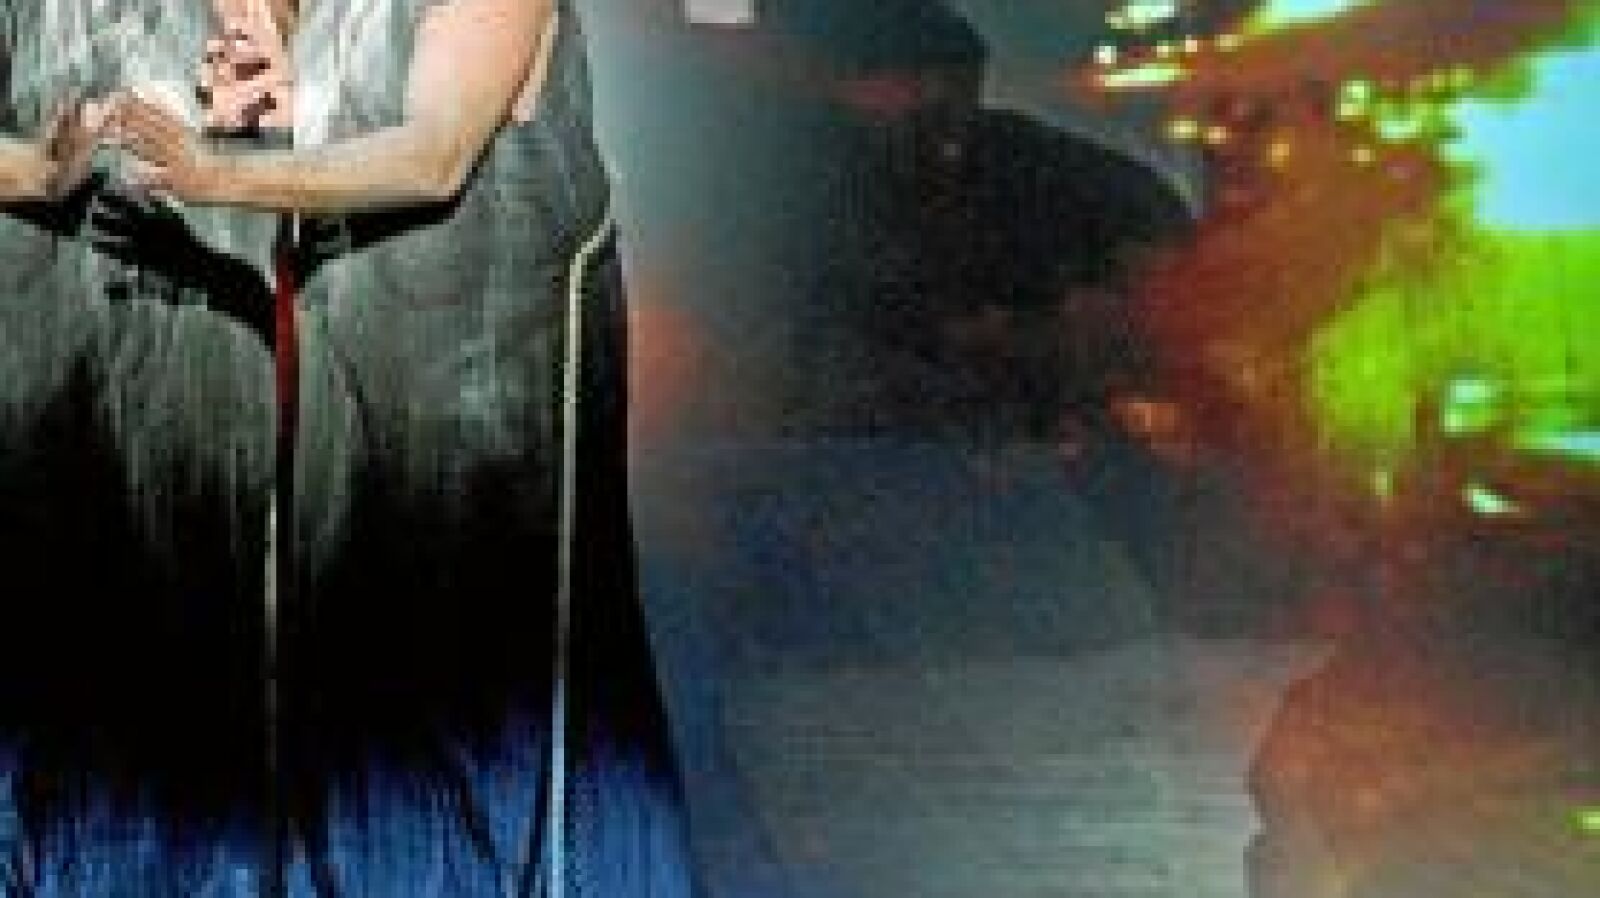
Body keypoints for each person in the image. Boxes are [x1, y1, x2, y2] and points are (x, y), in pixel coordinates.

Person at [117, 1, 700, 894]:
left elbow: (436, 154)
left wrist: (218, 174)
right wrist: (283, 101)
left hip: (492, 361)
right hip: (371, 348)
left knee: (485, 669)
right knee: (368, 663)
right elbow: (371, 109)